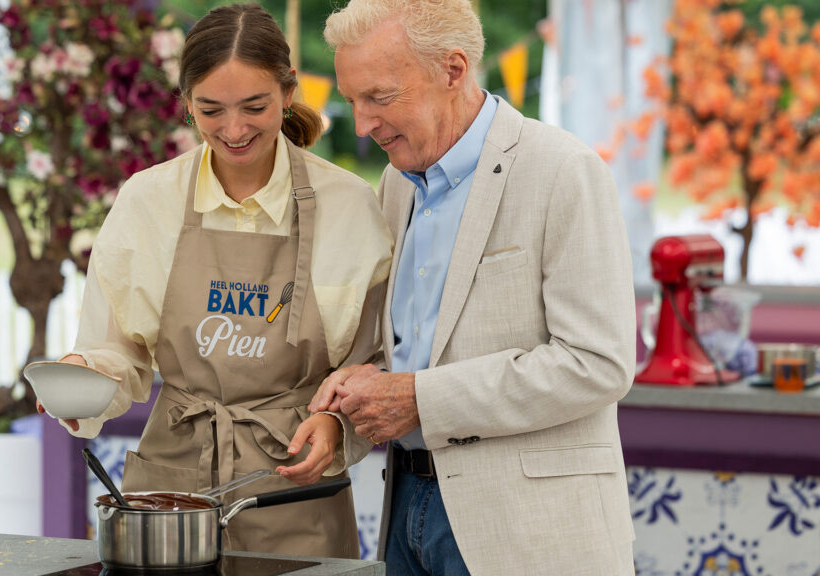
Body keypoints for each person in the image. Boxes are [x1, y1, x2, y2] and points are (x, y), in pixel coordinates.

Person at [37, 3, 391, 559]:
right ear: (186, 105)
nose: (234, 129)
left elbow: (374, 364)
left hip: (295, 492)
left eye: (255, 106)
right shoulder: (147, 201)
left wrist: (334, 422)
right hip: (169, 491)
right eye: (211, 110)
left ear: (289, 93)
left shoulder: (349, 207)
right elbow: (115, 350)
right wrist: (83, 375)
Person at [311, 0, 637, 573]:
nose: (360, 124)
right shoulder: (395, 183)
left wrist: (418, 397)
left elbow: (597, 363)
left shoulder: (562, 169)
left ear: (453, 70)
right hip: (406, 509)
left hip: (529, 533)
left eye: (379, 98)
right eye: (354, 98)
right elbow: (416, 350)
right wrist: (363, 385)